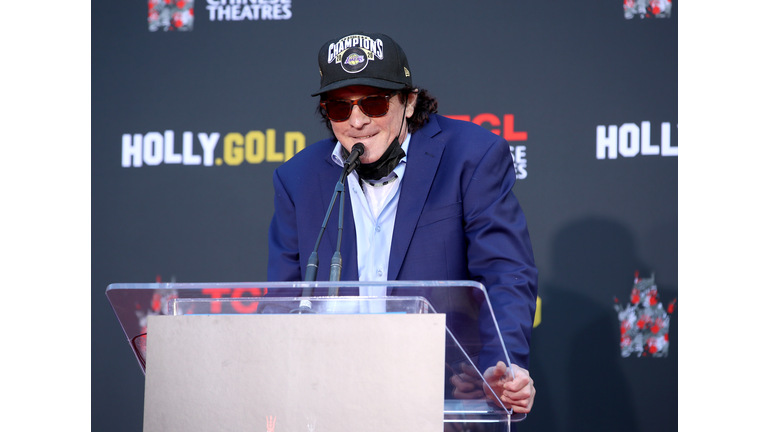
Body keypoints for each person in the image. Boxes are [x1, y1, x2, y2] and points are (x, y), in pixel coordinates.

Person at [267, 31, 537, 415]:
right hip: (332, 402)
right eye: (340, 108)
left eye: (374, 103)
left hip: (446, 398)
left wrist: (502, 368)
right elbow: (281, 299)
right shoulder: (298, 178)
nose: (357, 121)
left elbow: (505, 275)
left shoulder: (470, 156)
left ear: (408, 102)